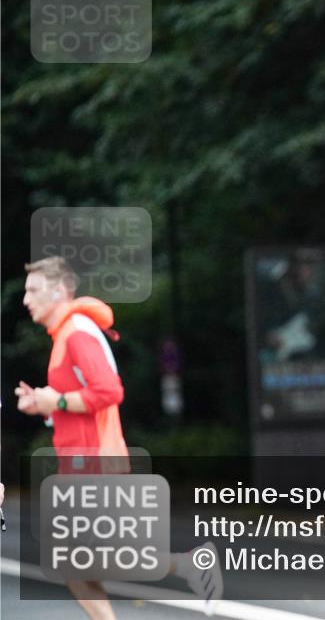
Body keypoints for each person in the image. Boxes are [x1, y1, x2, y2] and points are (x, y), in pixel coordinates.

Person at [16, 256, 223, 619]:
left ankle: (190, 564)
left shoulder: (77, 332)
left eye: (33, 290)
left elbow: (110, 392)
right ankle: (189, 564)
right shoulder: (66, 334)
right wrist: (45, 405)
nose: (25, 299)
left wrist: (58, 399)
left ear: (60, 290)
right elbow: (82, 401)